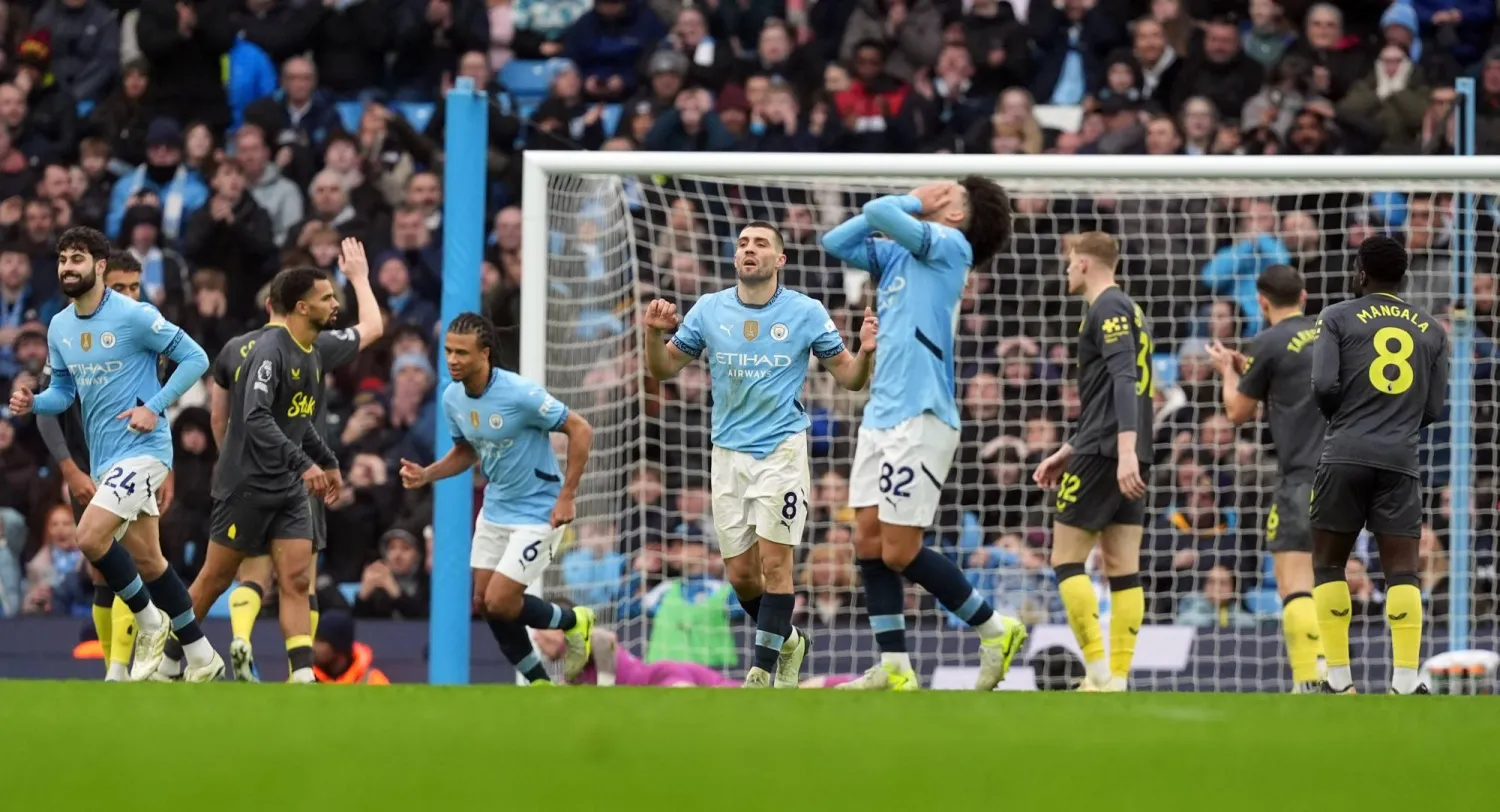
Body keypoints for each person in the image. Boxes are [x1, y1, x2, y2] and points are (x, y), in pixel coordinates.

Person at [641, 220, 877, 687]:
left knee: (776, 564)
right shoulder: (709, 310)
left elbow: (850, 378)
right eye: (744, 243)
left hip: (781, 450)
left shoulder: (805, 312)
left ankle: (761, 673)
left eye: (761, 244)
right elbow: (665, 369)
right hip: (727, 454)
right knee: (743, 576)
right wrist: (652, 334)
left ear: (779, 260)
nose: (749, 249)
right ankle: (790, 641)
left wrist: (866, 351)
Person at [819, 178, 1026, 692]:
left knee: (898, 550)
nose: (934, 192)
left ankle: (995, 628)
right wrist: (907, 207)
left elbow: (876, 210)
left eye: (947, 193)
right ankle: (895, 667)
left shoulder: (951, 250)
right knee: (866, 541)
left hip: (922, 415)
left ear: (957, 216)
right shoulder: (896, 259)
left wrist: (912, 201)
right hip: (880, 416)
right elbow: (836, 242)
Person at [8, 227, 220, 681]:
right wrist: (34, 402)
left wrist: (155, 406)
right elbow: (64, 391)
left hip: (145, 451)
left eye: (78, 258)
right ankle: (201, 654)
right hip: (106, 459)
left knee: (89, 538)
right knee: (150, 561)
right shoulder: (60, 326)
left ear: (100, 266)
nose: (68, 267)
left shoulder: (134, 315)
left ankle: (149, 620)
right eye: (63, 259)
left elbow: (197, 358)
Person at [176, 239, 382, 682]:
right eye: (327, 297)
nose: (334, 303)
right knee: (217, 577)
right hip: (253, 483)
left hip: (290, 481)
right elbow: (253, 418)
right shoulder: (273, 351)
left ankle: (298, 672)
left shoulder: (261, 347)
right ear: (298, 307)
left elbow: (225, 419)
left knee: (294, 578)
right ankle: (175, 649)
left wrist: (324, 460)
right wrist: (361, 278)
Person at [398, 313, 596, 684]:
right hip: (495, 510)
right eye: (447, 351)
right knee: (484, 603)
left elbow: (580, 429)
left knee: (502, 601)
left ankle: (575, 621)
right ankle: (540, 684)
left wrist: (567, 495)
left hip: (539, 510)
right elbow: (466, 452)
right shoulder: (452, 398)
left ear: (484, 353)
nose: (452, 359)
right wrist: (427, 474)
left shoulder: (520, 393)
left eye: (461, 352)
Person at [1308, 235, 1446, 696]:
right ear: (1403, 276)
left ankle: (1339, 681)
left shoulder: (1337, 316)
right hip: (1400, 459)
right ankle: (1406, 682)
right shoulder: (1431, 329)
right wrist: (1398, 423)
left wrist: (1347, 421)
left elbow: (1324, 384)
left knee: (1328, 565)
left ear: (1361, 272)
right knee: (1403, 571)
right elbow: (1435, 407)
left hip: (1344, 452)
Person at [36, 252, 176, 680]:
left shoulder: (145, 327)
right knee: (103, 566)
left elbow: (156, 404)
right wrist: (69, 468)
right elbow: (48, 408)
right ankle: (114, 666)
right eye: (122, 288)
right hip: (87, 460)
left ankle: (125, 667)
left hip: (135, 457)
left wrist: (169, 468)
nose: (131, 296)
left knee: (137, 555)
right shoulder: (71, 327)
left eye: (137, 287)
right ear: (101, 283)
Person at [1032, 232, 1154, 693]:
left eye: (1069, 263)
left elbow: (1125, 380)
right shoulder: (1131, 310)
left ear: (1083, 264)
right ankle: (1117, 678)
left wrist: (1118, 451)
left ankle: (1099, 670)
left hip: (1110, 453)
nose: (1066, 272)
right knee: (1123, 565)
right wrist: (1070, 448)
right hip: (1121, 448)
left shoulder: (1107, 307)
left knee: (1066, 559)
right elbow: (1118, 389)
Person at [1205, 264, 1328, 693]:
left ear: (1261, 302)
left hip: (1302, 476)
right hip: (1350, 473)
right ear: (1305, 296)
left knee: (1294, 582)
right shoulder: (1331, 332)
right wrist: (1253, 367)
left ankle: (1307, 680)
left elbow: (1238, 412)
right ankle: (1341, 676)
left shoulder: (1268, 341)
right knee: (1331, 578)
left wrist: (1227, 370)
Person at [535, 599, 736, 688]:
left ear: (559, 629)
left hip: (661, 679)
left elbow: (603, 641)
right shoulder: (574, 670)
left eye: (539, 629)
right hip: (665, 679)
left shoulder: (587, 640)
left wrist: (605, 689)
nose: (536, 637)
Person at [312, 611, 390, 684]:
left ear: (338, 648)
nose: (313, 646)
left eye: (321, 641)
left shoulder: (373, 682)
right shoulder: (306, 679)